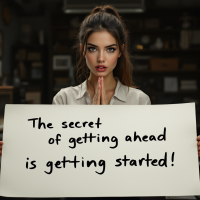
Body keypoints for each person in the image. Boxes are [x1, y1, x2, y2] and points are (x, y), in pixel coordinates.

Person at [0, 4, 200, 200]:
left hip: (124, 195)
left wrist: (186, 148)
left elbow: (148, 160)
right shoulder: (64, 99)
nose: (101, 58)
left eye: (110, 49)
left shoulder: (139, 100)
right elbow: (52, 158)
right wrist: (15, 149)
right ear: (82, 50)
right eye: (93, 49)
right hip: (77, 195)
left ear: (120, 51)